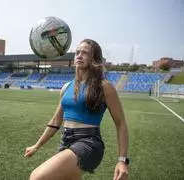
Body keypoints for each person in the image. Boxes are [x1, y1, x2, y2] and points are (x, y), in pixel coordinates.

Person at [24, 39, 129, 180]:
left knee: (37, 177)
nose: (79, 55)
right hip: (65, 141)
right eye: (77, 52)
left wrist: (122, 161)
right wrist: (37, 146)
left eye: (85, 53)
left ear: (95, 58)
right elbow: (55, 121)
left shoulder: (104, 86)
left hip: (89, 142)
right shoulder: (66, 87)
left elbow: (120, 123)